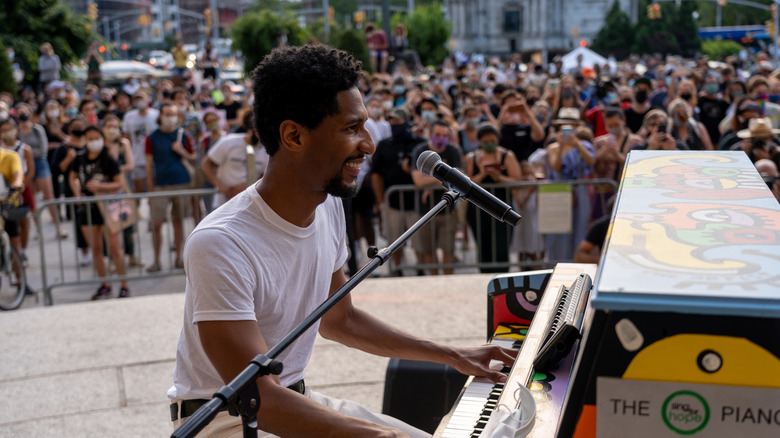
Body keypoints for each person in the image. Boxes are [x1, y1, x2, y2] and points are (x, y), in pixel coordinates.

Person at [167, 44, 514, 437]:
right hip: (229, 422)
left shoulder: (328, 206)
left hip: (293, 399)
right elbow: (257, 396)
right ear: (293, 136)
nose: (368, 143)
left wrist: (454, 356)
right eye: (351, 128)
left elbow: (340, 320)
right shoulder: (221, 243)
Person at [68, 126, 130, 299]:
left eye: (96, 137)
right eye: (90, 138)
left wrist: (100, 186)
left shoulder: (108, 159)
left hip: (107, 207)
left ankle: (124, 285)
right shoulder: (80, 159)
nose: (93, 141)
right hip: (87, 208)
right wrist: (77, 192)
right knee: (96, 250)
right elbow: (72, 176)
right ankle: (105, 285)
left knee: (115, 249)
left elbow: (120, 183)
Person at [371, 107, 427, 274]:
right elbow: (376, 174)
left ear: (406, 122)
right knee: (395, 241)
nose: (394, 124)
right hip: (392, 201)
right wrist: (381, 201)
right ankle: (397, 269)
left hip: (416, 203)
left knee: (420, 242)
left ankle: (422, 270)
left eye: (398, 121)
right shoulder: (384, 145)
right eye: (392, 121)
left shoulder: (419, 143)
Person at [464, 123, 522, 273]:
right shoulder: (472, 157)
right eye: (485, 141)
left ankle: (502, 275)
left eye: (492, 140)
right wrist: (482, 175)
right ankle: (484, 274)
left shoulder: (506, 156)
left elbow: (517, 180)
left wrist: (499, 177)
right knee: (483, 244)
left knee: (502, 245)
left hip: (502, 208)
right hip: (478, 209)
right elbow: (466, 183)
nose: (489, 144)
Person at [144, 102, 194, 272]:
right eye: (167, 114)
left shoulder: (184, 135)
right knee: (157, 223)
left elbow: (193, 158)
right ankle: (156, 260)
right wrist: (150, 190)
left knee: (178, 221)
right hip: (160, 185)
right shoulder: (152, 137)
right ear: (160, 116)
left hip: (181, 182)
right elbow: (149, 165)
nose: (170, 117)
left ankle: (179, 257)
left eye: (173, 113)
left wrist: (182, 151)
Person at [410, 120, 463, 275]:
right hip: (425, 212)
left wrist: (430, 184)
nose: (441, 138)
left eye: (445, 135)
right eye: (438, 135)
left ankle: (447, 283)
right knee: (428, 252)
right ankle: (434, 282)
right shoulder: (421, 150)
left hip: (448, 211)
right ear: (430, 134)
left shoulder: (453, 151)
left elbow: (459, 178)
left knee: (448, 251)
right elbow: (418, 181)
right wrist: (444, 178)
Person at [18, 103, 67, 239]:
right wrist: (27, 154)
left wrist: (27, 152)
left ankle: (58, 226)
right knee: (32, 199)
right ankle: (38, 230)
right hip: (25, 166)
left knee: (49, 196)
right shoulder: (17, 132)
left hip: (40, 163)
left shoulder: (37, 129)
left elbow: (43, 149)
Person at [201, 112, 268, 210]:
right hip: (223, 204)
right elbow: (205, 164)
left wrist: (247, 187)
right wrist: (220, 186)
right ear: (250, 131)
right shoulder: (228, 142)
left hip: (249, 205)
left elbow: (265, 175)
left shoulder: (266, 150)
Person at [123, 90, 159, 193]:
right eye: (137, 99)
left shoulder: (156, 114)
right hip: (136, 159)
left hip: (154, 159)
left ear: (148, 99)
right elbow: (126, 138)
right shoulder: (129, 116)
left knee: (154, 189)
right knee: (137, 190)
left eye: (141, 98)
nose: (139, 101)